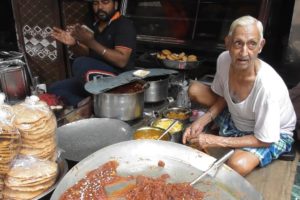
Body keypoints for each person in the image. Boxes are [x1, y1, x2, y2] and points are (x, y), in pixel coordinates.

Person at [183, 15, 296, 176]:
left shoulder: (267, 87)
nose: (244, 52)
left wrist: (215, 140)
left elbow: (264, 139)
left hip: (270, 134)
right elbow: (224, 95)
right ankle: (225, 133)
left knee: (237, 165)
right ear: (228, 43)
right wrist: (205, 119)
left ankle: (225, 137)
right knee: (194, 89)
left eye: (252, 44)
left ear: (261, 46)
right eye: (238, 43)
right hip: (238, 118)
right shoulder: (224, 60)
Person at [49, 0, 136, 107]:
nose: (100, 7)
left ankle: (99, 103)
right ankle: (87, 106)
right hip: (93, 77)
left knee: (81, 63)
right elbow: (84, 53)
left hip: (119, 78)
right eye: (95, 3)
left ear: (116, 4)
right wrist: (73, 44)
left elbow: (122, 61)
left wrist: (91, 42)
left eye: (105, 2)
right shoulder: (91, 22)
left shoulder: (124, 25)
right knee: (55, 88)